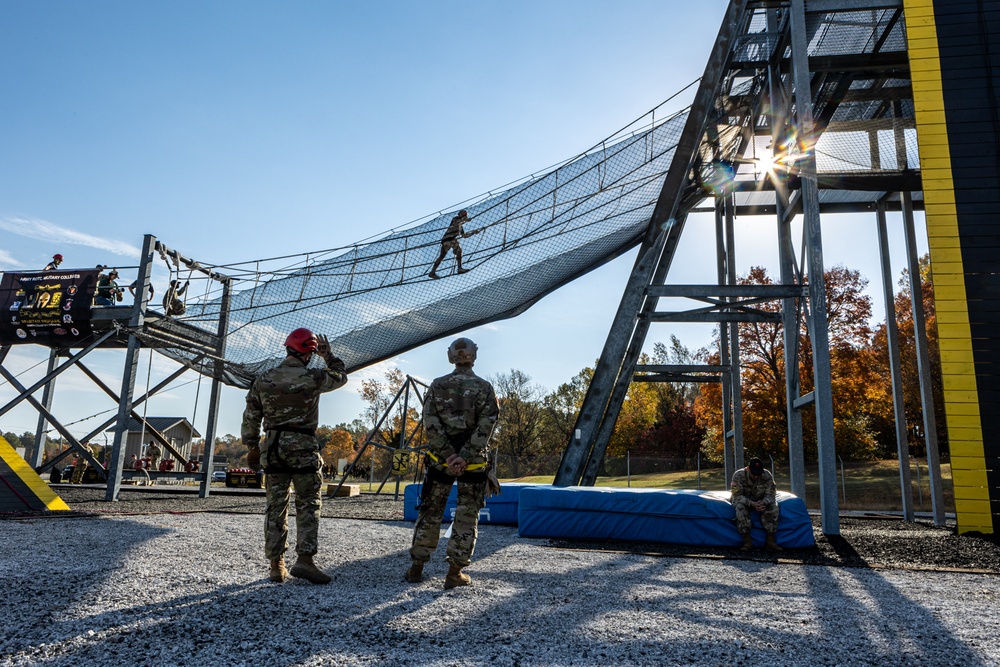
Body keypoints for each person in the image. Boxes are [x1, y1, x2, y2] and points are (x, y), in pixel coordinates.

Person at [242, 327, 348, 584]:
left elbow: (251, 415)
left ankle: (276, 565)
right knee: (308, 505)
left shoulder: (264, 378)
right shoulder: (313, 376)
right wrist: (328, 355)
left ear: (288, 347)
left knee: (276, 507)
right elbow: (340, 376)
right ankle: (305, 561)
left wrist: (252, 447)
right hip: (303, 448)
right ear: (309, 353)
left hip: (274, 448)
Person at [405, 337, 500, 589]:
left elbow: (431, 424)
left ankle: (417, 567)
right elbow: (486, 426)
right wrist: (465, 456)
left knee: (430, 511)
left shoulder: (437, 386)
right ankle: (454, 573)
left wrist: (448, 456)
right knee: (467, 515)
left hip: (440, 462)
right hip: (473, 465)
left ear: (451, 357)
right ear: (474, 356)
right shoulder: (485, 388)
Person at [730, 457, 781, 551]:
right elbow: (736, 495)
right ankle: (747, 541)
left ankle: (771, 540)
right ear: (748, 469)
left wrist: (764, 502)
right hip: (745, 500)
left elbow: (771, 494)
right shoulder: (738, 476)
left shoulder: (767, 475)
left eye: (758, 474)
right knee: (740, 509)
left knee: (774, 508)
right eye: (754, 474)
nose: (756, 476)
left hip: (761, 500)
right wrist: (752, 504)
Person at [428, 209, 481, 279]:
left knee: (445, 255)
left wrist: (473, 232)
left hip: (449, 240)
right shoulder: (455, 219)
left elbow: (464, 235)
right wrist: (466, 220)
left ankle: (433, 272)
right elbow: (459, 221)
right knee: (452, 253)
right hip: (449, 239)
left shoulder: (460, 227)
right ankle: (459, 268)